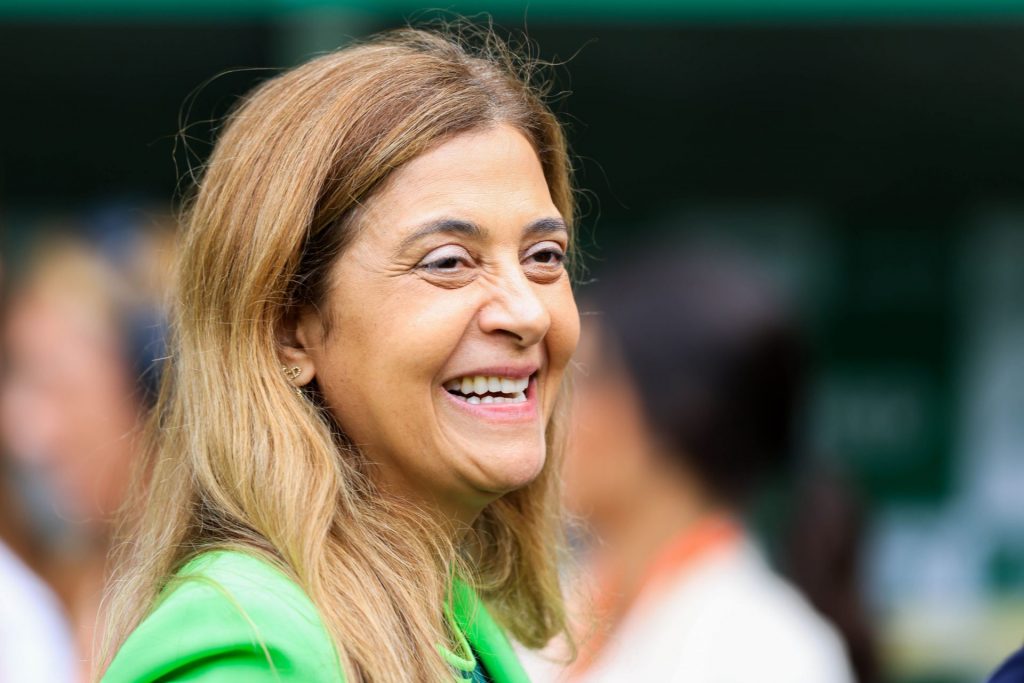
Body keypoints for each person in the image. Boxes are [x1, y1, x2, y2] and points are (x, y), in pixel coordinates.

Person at [99, 26, 580, 683]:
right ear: (288, 329)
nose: (527, 311)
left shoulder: (455, 625)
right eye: (449, 262)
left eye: (543, 257)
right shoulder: (249, 654)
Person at [521, 249, 855, 683]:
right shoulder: (554, 614)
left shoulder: (768, 654)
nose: (548, 409)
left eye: (582, 379)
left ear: (669, 416)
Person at [1, 222, 171, 679]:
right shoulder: (44, 594)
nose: (20, 431)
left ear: (151, 384)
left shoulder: (216, 605)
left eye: (55, 386)